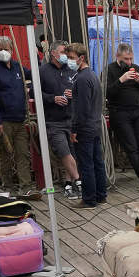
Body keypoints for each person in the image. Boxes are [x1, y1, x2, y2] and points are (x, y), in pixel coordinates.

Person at [0, 35, 36, 197]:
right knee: (5, 154)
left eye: (6, 48)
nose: (3, 52)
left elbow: (32, 74)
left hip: (19, 118)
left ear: (12, 50)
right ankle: (8, 187)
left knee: (23, 153)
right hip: (3, 120)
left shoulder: (17, 67)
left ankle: (25, 186)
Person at [103, 42, 139, 195]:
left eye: (130, 59)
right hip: (119, 113)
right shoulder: (109, 70)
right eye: (126, 59)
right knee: (131, 147)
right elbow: (107, 93)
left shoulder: (136, 68)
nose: (129, 62)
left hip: (137, 112)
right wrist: (121, 80)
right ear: (117, 56)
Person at [38, 40, 83, 199]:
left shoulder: (70, 70)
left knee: (72, 152)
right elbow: (33, 94)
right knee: (64, 152)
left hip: (70, 118)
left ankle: (69, 184)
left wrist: (73, 94)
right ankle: (79, 181)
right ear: (53, 53)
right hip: (53, 120)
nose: (66, 56)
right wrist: (52, 98)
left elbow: (78, 88)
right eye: (63, 52)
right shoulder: (43, 71)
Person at [66, 43, 106, 208]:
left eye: (71, 58)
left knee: (86, 164)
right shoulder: (92, 75)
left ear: (81, 58)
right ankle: (101, 195)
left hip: (85, 127)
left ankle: (89, 198)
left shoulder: (81, 79)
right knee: (97, 162)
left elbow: (81, 109)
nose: (69, 61)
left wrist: (74, 130)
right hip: (95, 125)